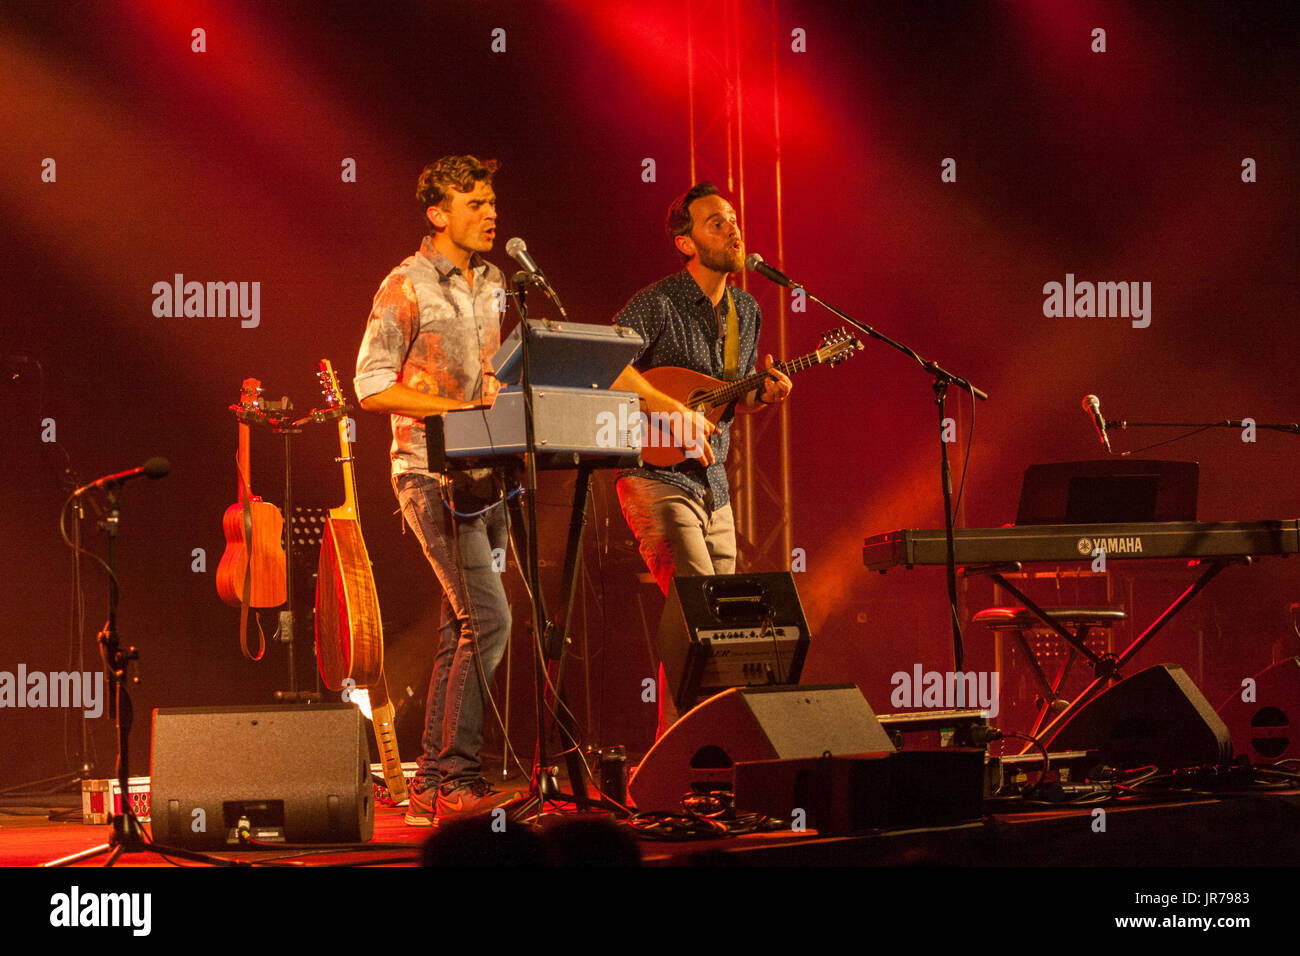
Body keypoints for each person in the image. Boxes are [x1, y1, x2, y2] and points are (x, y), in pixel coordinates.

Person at [353, 155, 517, 825]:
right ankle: (454, 779)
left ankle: (430, 785)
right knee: (491, 621)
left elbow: (493, 374)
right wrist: (453, 409)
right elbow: (370, 387)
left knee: (462, 625)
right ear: (438, 212)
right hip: (427, 473)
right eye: (474, 203)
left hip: (491, 472)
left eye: (491, 202)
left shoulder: (499, 282)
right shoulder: (406, 284)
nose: (490, 213)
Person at [611, 183, 792, 733]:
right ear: (685, 243)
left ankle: (713, 742)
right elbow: (608, 366)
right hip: (653, 473)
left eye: (735, 219)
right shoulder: (658, 302)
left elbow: (725, 399)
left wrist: (761, 395)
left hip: (714, 482)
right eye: (716, 222)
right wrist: (672, 408)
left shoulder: (746, 310)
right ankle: (678, 744)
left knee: (723, 619)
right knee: (696, 602)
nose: (734, 229)